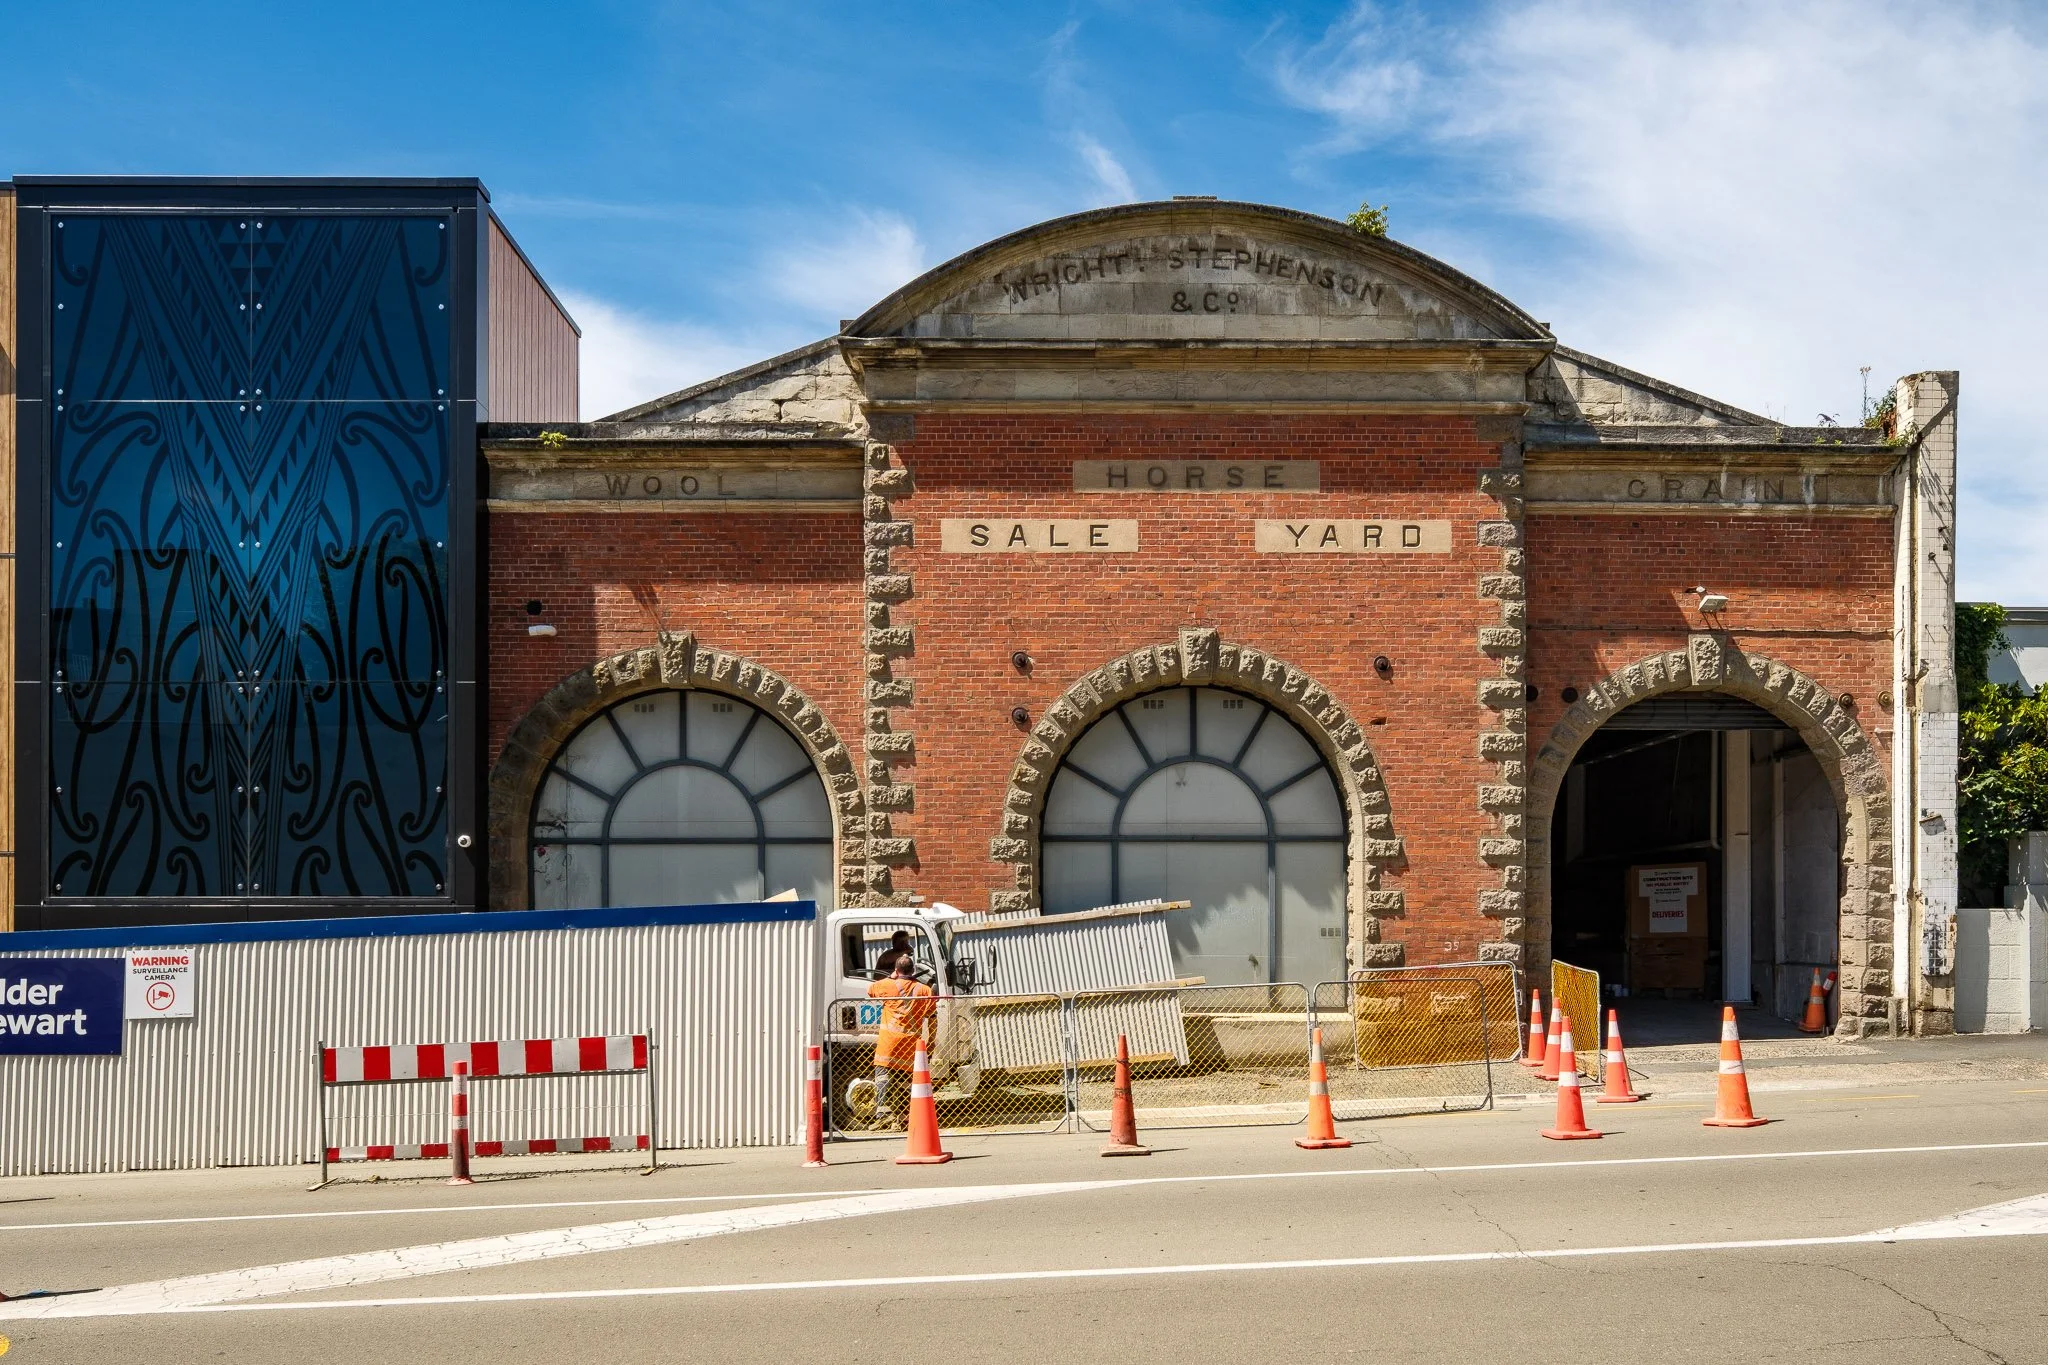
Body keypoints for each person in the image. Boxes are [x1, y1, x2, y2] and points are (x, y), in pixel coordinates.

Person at [866, 950, 936, 1127]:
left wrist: (891, 977)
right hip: (910, 1044)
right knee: (906, 1081)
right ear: (913, 970)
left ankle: (883, 1115)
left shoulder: (886, 985)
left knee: (883, 1078)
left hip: (889, 1044)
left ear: (896, 970)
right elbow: (932, 1018)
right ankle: (905, 1116)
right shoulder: (925, 990)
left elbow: (870, 990)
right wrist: (932, 1041)